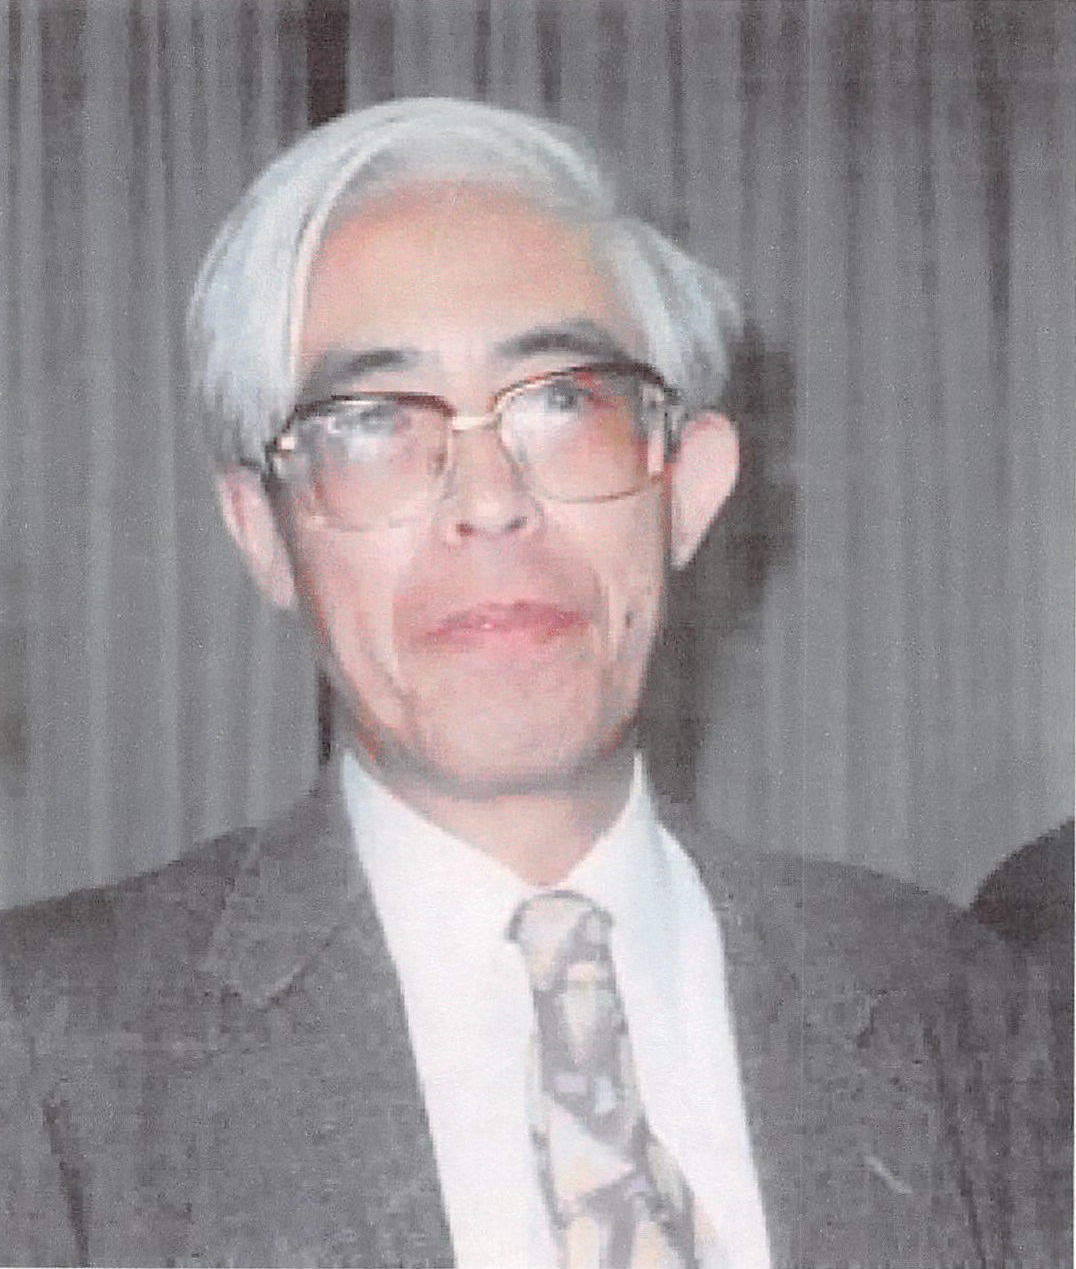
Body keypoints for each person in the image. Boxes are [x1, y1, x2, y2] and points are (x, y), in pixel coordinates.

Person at [0, 98, 1067, 1268]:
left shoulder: (956, 1004)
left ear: (687, 485)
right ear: (264, 532)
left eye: (565, 401)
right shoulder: (49, 1053)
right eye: (370, 422)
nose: (489, 500)